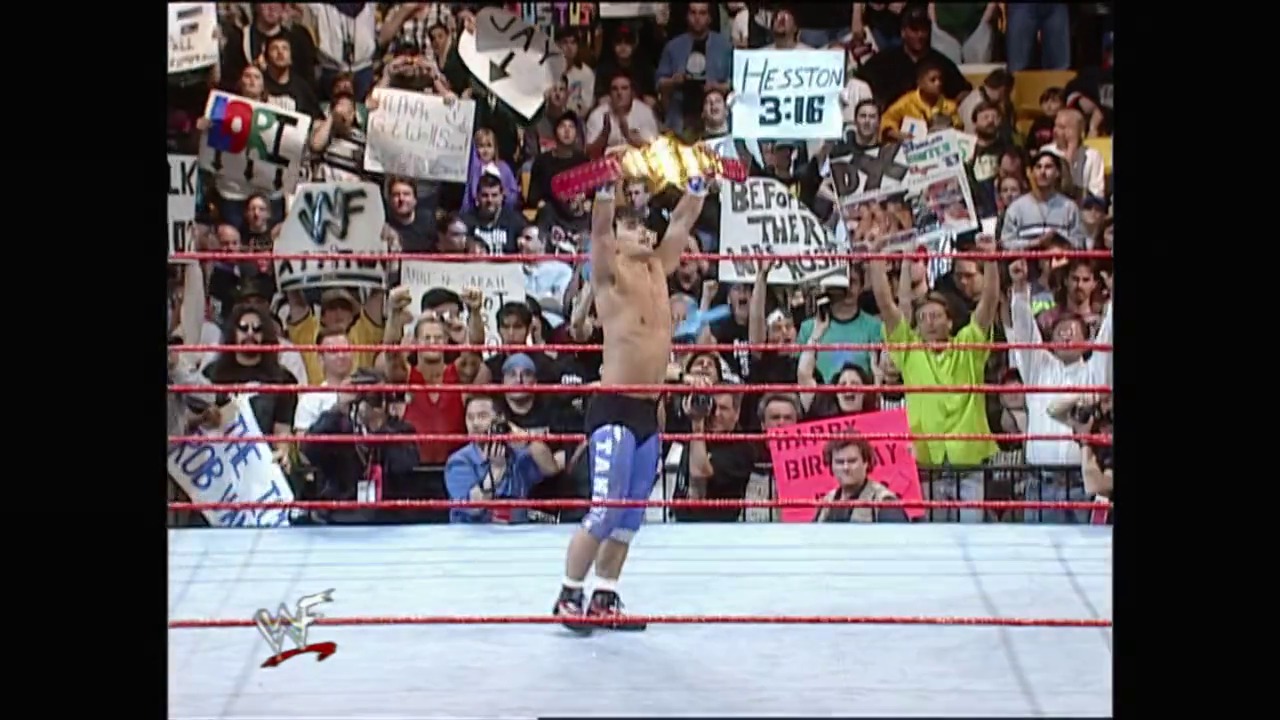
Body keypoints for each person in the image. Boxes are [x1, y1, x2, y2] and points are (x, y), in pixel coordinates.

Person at [553, 162, 709, 633]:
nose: (644, 231)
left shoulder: (659, 268)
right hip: (614, 406)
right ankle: (567, 594)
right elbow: (599, 230)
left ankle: (605, 595)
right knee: (603, 510)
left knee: (629, 518)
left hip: (648, 412)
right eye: (633, 226)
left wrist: (699, 177)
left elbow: (682, 220)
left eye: (645, 225)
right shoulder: (609, 275)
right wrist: (606, 184)